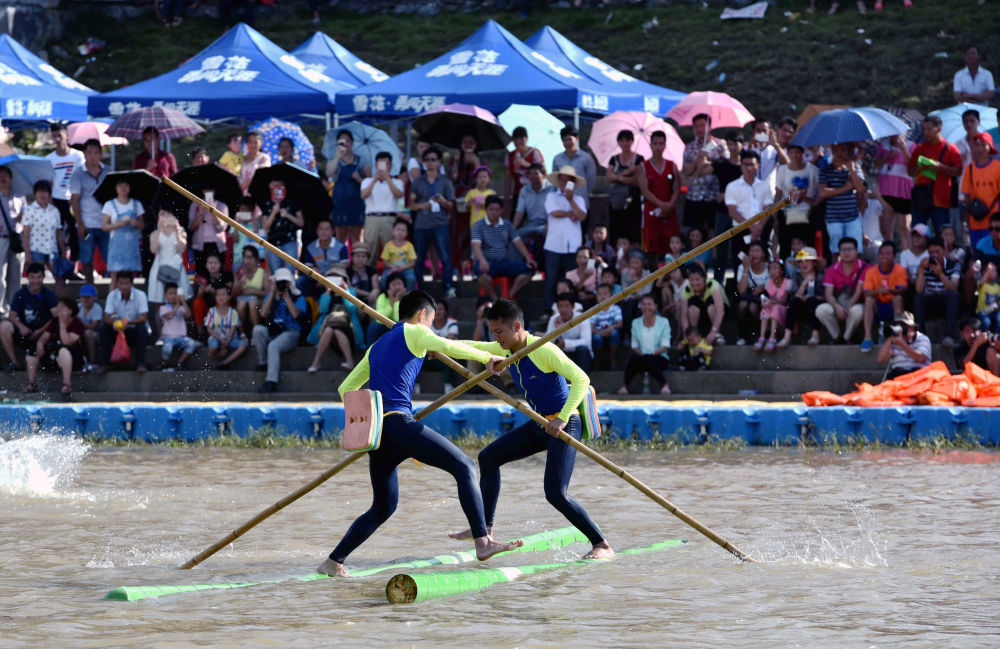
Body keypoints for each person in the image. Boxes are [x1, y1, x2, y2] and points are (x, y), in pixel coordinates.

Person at [317, 290, 518, 577]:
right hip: (399, 424)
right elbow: (449, 346)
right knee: (464, 466)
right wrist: (489, 357)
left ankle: (334, 561)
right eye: (432, 322)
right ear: (423, 315)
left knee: (383, 506)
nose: (431, 329)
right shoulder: (415, 332)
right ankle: (483, 541)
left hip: (380, 435)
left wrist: (497, 349)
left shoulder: (377, 345)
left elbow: (345, 389)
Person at [450, 298, 614, 560]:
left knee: (555, 493)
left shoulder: (543, 349)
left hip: (565, 423)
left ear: (517, 326)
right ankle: (485, 529)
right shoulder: (505, 348)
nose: (496, 338)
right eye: (493, 332)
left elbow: (581, 378)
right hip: (540, 422)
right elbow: (470, 346)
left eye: (500, 332)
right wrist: (434, 347)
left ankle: (602, 545)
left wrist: (561, 418)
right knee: (488, 458)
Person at [409, 146, 457, 298]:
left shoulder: (445, 182)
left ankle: (448, 286)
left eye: (433, 160)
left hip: (440, 223)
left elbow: (451, 206)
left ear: (439, 162)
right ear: (423, 162)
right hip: (421, 225)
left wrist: (442, 201)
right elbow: (410, 204)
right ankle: (419, 289)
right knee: (419, 259)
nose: (430, 162)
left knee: (446, 258)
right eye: (427, 160)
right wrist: (423, 205)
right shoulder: (418, 181)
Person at [471, 196, 537, 301]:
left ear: (501, 210)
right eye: (491, 209)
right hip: (488, 263)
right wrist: (483, 261)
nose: (494, 212)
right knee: (481, 274)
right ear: (486, 210)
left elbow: (518, 243)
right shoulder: (478, 226)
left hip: (504, 263)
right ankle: (495, 298)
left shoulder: (507, 225)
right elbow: (476, 247)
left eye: (497, 209)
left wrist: (528, 258)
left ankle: (509, 295)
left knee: (530, 268)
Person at [252, 267, 307, 393]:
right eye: (280, 282)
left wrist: (287, 297)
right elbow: (263, 314)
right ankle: (263, 362)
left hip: (291, 332)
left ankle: (271, 381)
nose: (283, 285)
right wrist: (272, 293)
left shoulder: (298, 297)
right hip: (274, 331)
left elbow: (295, 314)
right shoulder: (271, 296)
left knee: (273, 346)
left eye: (285, 282)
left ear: (290, 282)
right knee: (257, 330)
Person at [908, 116, 962, 234]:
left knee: (942, 233)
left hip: (941, 200)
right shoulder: (920, 148)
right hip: (921, 198)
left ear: (938, 129)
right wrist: (921, 168)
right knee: (917, 232)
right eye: (924, 129)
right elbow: (910, 171)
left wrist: (942, 168)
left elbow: (958, 171)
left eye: (929, 129)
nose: (925, 132)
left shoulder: (950, 148)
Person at [543, 166, 588, 308]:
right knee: (551, 280)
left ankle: (572, 309)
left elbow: (582, 216)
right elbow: (554, 212)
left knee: (570, 281)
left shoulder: (579, 199)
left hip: (572, 247)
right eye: (562, 180)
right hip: (554, 245)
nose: (564, 183)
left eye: (568, 181)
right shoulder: (551, 196)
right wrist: (569, 214)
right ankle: (549, 309)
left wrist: (570, 200)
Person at [0, 262, 57, 372]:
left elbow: (55, 317)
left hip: (43, 335)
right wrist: (21, 326)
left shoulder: (48, 294)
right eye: (32, 277)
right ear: (27, 277)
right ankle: (14, 363)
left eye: (39, 277)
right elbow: (11, 316)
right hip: (24, 333)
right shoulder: (21, 294)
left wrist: (41, 331)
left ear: (43, 277)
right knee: (4, 326)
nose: (35, 281)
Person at [24, 297, 85, 395]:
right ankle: (32, 383)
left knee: (63, 350)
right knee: (32, 350)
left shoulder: (77, 324)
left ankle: (67, 384)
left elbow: (67, 342)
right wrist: (40, 344)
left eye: (62, 308)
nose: (59, 310)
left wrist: (62, 323)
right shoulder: (54, 321)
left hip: (74, 360)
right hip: (55, 359)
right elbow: (45, 336)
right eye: (58, 307)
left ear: (70, 311)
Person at [725, 150, 774, 264]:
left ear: (758, 166)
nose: (748, 168)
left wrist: (759, 228)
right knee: (740, 261)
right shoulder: (732, 186)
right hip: (740, 229)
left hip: (761, 230)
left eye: (751, 164)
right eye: (745, 164)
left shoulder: (764, 186)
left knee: (762, 263)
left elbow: (768, 208)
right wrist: (751, 227)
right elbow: (732, 211)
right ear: (740, 166)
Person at [818, 142, 866, 258]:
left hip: (852, 216)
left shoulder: (855, 168)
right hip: (833, 217)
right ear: (834, 151)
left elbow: (860, 187)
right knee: (836, 251)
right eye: (841, 150)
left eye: (846, 150)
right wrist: (845, 188)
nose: (844, 153)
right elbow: (823, 192)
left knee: (856, 250)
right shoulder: (825, 170)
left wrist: (852, 170)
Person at [46, 123, 85, 262]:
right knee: (58, 231)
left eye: (60, 136)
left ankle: (75, 263)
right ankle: (60, 262)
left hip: (74, 199)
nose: (57, 139)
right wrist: (50, 199)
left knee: (75, 231)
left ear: (67, 136)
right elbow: (49, 182)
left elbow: (82, 177)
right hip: (57, 199)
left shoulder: (78, 156)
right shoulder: (50, 158)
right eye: (54, 136)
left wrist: (77, 197)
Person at [618, 294, 672, 395]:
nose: (646, 307)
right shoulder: (635, 322)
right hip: (641, 357)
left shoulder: (664, 322)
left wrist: (651, 354)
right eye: (643, 304)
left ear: (655, 306)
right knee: (633, 359)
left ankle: (665, 385)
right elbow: (634, 345)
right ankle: (625, 386)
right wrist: (644, 355)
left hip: (659, 357)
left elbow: (665, 346)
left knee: (648, 359)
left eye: (649, 304)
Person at [817, 238, 868, 343]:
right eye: (843, 250)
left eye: (850, 249)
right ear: (839, 252)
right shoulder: (831, 269)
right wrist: (837, 307)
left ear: (856, 251)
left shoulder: (865, 267)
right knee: (821, 310)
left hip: (855, 304)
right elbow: (828, 294)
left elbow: (859, 291)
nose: (847, 253)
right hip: (838, 304)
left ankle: (847, 337)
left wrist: (847, 308)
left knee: (858, 311)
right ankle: (836, 337)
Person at [682, 113, 727, 234]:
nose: (699, 129)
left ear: (710, 126)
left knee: (714, 232)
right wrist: (697, 159)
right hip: (694, 196)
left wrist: (708, 162)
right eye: (696, 126)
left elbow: (725, 168)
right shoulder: (690, 147)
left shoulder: (720, 145)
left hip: (713, 196)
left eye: (702, 125)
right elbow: (686, 172)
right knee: (693, 232)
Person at [21, 179, 67, 296]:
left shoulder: (54, 210)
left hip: (52, 249)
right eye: (40, 191)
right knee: (36, 281)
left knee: (60, 279)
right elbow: (25, 233)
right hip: (36, 249)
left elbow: (58, 231)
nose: (43, 194)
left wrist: (63, 250)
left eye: (46, 191)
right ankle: (36, 307)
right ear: (35, 193)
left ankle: (61, 306)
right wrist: (27, 254)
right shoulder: (30, 210)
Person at [307, 265, 357, 372]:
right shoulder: (326, 294)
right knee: (331, 329)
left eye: (337, 278)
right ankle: (316, 362)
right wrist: (328, 292)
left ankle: (350, 361)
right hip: (328, 325)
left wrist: (345, 292)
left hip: (348, 326)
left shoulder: (351, 292)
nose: (335, 281)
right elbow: (322, 310)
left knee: (337, 331)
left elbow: (352, 309)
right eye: (331, 278)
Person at [638, 130, 680, 258]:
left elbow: (677, 187)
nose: (658, 147)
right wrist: (661, 204)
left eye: (661, 144)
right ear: (650, 145)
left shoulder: (672, 165)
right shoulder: (643, 166)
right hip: (652, 211)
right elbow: (644, 190)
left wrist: (671, 204)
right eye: (655, 144)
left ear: (665, 145)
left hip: (669, 212)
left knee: (671, 245)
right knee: (651, 247)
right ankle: (654, 276)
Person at [860, 242, 907, 352]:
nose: (884, 256)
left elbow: (903, 290)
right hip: (878, 307)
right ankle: (867, 337)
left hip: (893, 305)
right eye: (882, 253)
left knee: (898, 297)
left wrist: (890, 291)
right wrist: (878, 291)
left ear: (894, 256)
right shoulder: (871, 271)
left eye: (888, 253)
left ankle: (898, 336)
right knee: (868, 300)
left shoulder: (900, 270)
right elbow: (866, 293)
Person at [914, 236, 961, 345]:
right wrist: (921, 269)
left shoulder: (954, 264)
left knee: (954, 296)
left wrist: (940, 273)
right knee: (918, 298)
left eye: (937, 252)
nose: (934, 255)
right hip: (931, 301)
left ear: (944, 251)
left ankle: (949, 336)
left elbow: (954, 288)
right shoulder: (924, 265)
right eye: (931, 252)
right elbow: (919, 290)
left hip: (947, 302)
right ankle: (920, 337)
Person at [775, 144, 819, 259]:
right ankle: (786, 275)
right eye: (792, 152)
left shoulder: (812, 170)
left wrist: (811, 201)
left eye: (798, 152)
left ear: (803, 153)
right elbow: (778, 193)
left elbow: (820, 191)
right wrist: (774, 215)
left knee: (808, 249)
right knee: (785, 248)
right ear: (788, 153)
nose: (795, 155)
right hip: (786, 214)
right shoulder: (782, 170)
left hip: (807, 214)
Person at [147, 211, 190, 328]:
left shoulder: (181, 231)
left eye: (167, 214)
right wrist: (160, 230)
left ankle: (180, 333)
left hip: (177, 269)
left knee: (179, 301)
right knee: (159, 306)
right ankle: (161, 336)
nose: (165, 217)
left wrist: (176, 230)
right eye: (161, 214)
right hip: (159, 269)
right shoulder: (155, 233)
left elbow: (182, 248)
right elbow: (153, 249)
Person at [100, 271, 149, 371]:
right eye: (121, 283)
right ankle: (105, 363)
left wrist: (128, 323)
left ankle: (140, 364)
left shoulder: (141, 295)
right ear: (117, 284)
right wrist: (115, 323)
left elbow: (144, 318)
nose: (124, 286)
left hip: (133, 331)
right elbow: (106, 317)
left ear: (132, 284)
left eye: (126, 283)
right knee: (103, 329)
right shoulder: (112, 295)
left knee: (141, 329)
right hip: (118, 331)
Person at [874, 134, 915, 252]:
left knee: (904, 228)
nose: (894, 137)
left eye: (896, 135)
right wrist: (886, 156)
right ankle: (889, 255)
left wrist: (903, 149)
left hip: (903, 190)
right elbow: (876, 165)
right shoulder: (883, 144)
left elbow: (913, 167)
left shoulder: (911, 145)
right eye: (892, 135)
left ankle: (907, 257)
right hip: (885, 188)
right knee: (886, 229)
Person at [361, 151, 405, 259]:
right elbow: (364, 195)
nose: (383, 167)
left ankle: (391, 274)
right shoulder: (367, 181)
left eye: (386, 163)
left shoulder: (397, 182)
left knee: (391, 250)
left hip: (389, 219)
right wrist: (375, 180)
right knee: (370, 249)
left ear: (390, 166)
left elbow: (398, 194)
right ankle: (370, 273)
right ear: (376, 165)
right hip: (372, 218)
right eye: (380, 163)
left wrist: (387, 179)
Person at [100, 178, 144, 286]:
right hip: (116, 245)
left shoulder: (136, 204)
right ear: (116, 188)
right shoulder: (109, 204)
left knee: (131, 277)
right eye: (120, 185)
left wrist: (136, 223)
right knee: (114, 277)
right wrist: (118, 225)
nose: (123, 188)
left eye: (126, 185)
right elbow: (104, 226)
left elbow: (143, 225)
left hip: (131, 245)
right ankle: (111, 301)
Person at [961, 132, 1000, 250]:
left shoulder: (998, 167)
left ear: (990, 147)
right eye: (977, 145)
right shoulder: (969, 169)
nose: (980, 148)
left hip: (995, 224)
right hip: (975, 221)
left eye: (984, 145)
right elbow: (966, 197)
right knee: (978, 254)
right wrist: (966, 221)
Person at [605, 129, 645, 245]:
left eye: (627, 140)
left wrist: (616, 177)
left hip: (633, 201)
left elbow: (637, 180)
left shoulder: (639, 159)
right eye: (622, 140)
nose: (625, 143)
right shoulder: (614, 159)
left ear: (632, 141)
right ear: (618, 142)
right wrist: (626, 173)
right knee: (616, 231)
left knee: (633, 232)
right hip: (616, 202)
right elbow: (608, 178)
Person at [328, 130, 367, 245]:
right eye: (342, 141)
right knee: (340, 235)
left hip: (357, 201)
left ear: (352, 143)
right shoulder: (334, 159)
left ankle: (356, 261)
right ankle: (341, 262)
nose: (345, 144)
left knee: (356, 236)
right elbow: (329, 173)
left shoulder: (361, 160)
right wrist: (336, 157)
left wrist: (359, 179)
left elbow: (369, 180)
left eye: (348, 141)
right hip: (340, 202)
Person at [262, 179, 304, 273]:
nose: (276, 188)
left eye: (278, 186)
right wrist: (273, 212)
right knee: (276, 275)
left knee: (290, 274)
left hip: (290, 242)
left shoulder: (291, 202)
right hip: (273, 243)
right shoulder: (267, 203)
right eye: (273, 186)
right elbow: (265, 226)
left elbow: (301, 223)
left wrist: (288, 215)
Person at [299, 219, 349, 296]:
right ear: (316, 231)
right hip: (317, 277)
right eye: (321, 229)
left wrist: (326, 278)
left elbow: (345, 265)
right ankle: (308, 304)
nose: (324, 232)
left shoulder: (341, 247)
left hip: (337, 276)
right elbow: (308, 266)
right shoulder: (311, 247)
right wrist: (318, 276)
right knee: (300, 281)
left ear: (333, 231)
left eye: (327, 229)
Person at [680, 265, 726, 345]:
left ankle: (718, 335)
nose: (694, 283)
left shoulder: (713, 285)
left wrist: (713, 331)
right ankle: (694, 334)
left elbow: (720, 311)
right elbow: (683, 315)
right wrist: (686, 334)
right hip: (701, 316)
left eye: (697, 279)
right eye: (691, 280)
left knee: (710, 302)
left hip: (720, 315)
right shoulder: (686, 290)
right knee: (693, 302)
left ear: (704, 278)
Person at [158, 283, 200, 371]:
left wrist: (183, 301)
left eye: (175, 293)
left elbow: (189, 315)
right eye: (170, 293)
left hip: (181, 337)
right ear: (165, 295)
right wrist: (178, 304)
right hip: (168, 337)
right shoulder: (163, 307)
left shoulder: (182, 308)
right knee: (167, 349)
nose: (173, 296)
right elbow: (169, 316)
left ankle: (179, 363)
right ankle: (163, 363)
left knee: (193, 344)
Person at [546, 292, 593, 371]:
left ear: (573, 306)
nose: (563, 310)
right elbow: (548, 341)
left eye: (567, 306)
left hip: (579, 355)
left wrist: (566, 343)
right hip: (563, 355)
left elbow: (586, 341)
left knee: (582, 349)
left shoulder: (582, 318)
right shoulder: (554, 319)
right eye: (560, 306)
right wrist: (557, 330)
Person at [0, 165, 25, 315]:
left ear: (11, 178)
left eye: (5, 175)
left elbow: (26, 217)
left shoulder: (19, 196)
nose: (3, 178)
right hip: (1, 239)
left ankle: (13, 311)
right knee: (0, 276)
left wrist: (22, 217)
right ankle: (1, 310)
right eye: (0, 175)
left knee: (16, 276)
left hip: (17, 239)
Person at [876, 311, 931, 379]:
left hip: (919, 374)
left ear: (912, 327)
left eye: (905, 325)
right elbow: (881, 359)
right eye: (900, 325)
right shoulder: (894, 340)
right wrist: (889, 339)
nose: (902, 328)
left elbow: (921, 358)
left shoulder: (922, 338)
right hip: (899, 375)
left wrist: (902, 344)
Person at [188, 186, 228, 277]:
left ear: (214, 191)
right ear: (202, 191)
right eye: (206, 189)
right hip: (200, 246)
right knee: (201, 273)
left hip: (217, 245)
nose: (208, 192)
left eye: (210, 190)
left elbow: (221, 228)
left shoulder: (222, 206)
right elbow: (191, 227)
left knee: (218, 272)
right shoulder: (195, 205)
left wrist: (213, 211)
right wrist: (201, 214)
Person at [204, 285, 248, 370]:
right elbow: (209, 329)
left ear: (229, 297)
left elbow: (233, 328)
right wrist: (221, 339)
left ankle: (224, 363)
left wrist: (225, 344)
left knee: (244, 344)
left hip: (230, 339)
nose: (221, 297)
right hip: (216, 338)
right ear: (215, 297)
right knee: (213, 346)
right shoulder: (211, 311)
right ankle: (213, 363)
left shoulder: (233, 312)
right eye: (218, 295)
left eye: (223, 295)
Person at [736, 240, 770, 345]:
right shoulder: (742, 267)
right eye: (751, 251)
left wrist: (763, 287)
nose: (753, 254)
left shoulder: (769, 267)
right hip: (748, 296)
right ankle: (742, 335)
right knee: (742, 305)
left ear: (763, 254)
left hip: (764, 298)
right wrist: (746, 268)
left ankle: (761, 335)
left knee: (753, 307)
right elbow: (741, 290)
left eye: (757, 251)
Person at [192, 253, 233, 339]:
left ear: (220, 264)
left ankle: (223, 331)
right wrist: (201, 291)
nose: (212, 265)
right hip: (207, 305)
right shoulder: (202, 276)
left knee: (223, 300)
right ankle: (201, 332)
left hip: (222, 304)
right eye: (210, 263)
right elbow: (198, 295)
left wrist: (215, 292)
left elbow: (229, 292)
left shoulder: (226, 276)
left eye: (215, 263)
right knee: (197, 302)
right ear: (206, 265)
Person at [511, 163, 552, 250]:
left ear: (544, 175)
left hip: (548, 225)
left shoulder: (552, 189)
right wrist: (512, 229)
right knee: (514, 238)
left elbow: (554, 212)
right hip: (531, 225)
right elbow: (519, 212)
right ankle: (519, 263)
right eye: (530, 174)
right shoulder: (524, 190)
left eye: (536, 173)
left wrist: (549, 226)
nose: (533, 176)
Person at [552, 126, 596, 205]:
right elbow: (555, 181)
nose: (568, 143)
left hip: (581, 204)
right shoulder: (557, 159)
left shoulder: (586, 158)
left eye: (570, 139)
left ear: (577, 139)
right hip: (562, 204)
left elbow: (591, 181)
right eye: (565, 140)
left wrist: (582, 192)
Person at [755, 259, 789, 352]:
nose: (772, 271)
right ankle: (762, 337)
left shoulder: (787, 282)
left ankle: (772, 338)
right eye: (770, 269)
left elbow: (783, 301)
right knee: (765, 309)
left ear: (782, 271)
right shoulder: (768, 283)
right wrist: (767, 303)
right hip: (773, 307)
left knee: (776, 308)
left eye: (775, 268)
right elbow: (770, 298)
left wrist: (772, 302)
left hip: (783, 308)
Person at [590, 283, 622, 370]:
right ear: (596, 296)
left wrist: (612, 327)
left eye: (605, 294)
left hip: (611, 331)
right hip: (598, 333)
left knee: (615, 333)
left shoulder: (615, 308)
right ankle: (597, 359)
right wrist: (600, 332)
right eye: (599, 294)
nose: (602, 296)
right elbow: (591, 328)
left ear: (611, 295)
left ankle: (612, 358)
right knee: (596, 338)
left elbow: (620, 324)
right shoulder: (593, 310)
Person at [380, 219, 417, 290]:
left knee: (410, 279)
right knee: (384, 278)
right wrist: (393, 267)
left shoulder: (409, 245)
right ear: (393, 231)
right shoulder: (388, 245)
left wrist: (402, 268)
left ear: (407, 233)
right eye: (398, 229)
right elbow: (385, 261)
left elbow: (413, 262)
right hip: (391, 268)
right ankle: (385, 296)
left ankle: (409, 295)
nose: (400, 232)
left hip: (406, 268)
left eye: (403, 230)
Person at [238, 132, 270, 196]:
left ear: (261, 143)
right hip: (241, 194)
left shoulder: (264, 158)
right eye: (250, 142)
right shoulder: (242, 158)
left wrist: (242, 186)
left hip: (257, 194)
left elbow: (260, 175)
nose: (252, 145)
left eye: (255, 142)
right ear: (246, 143)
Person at [77, 283, 101, 366]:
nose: (85, 299)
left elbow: (93, 326)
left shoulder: (97, 308)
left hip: (96, 333)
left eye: (88, 297)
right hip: (80, 332)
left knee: (88, 333)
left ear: (95, 297)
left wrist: (79, 322)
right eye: (83, 297)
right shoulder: (78, 307)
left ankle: (92, 361)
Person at [977, 261, 1000, 332]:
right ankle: (983, 338)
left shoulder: (997, 287)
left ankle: (996, 338)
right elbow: (981, 284)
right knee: (986, 322)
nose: (994, 273)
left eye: (995, 271)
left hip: (994, 310)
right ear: (984, 272)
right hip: (983, 311)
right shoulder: (981, 284)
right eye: (991, 271)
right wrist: (987, 273)